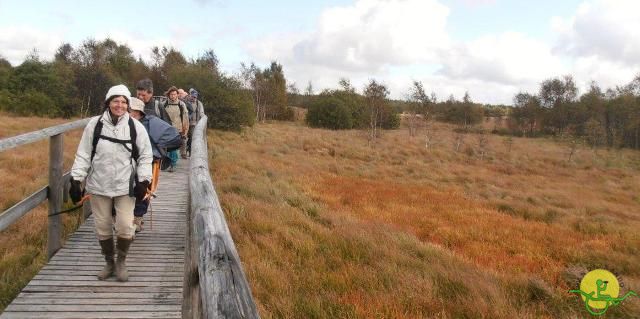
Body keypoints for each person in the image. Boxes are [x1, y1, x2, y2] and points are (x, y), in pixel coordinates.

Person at [69, 84, 153, 282]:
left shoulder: (135, 127)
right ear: (108, 102)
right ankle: (109, 262)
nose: (120, 105)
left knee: (125, 226)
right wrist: (76, 179)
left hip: (125, 186)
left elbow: (145, 156)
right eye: (116, 101)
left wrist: (144, 180)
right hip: (99, 185)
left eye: (124, 102)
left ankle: (121, 261)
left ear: (128, 105)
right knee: (103, 226)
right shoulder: (94, 125)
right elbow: (83, 154)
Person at [129, 97, 182, 232]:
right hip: (126, 164)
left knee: (142, 190)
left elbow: (175, 137)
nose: (126, 112)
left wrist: (156, 147)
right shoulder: (121, 123)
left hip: (148, 162)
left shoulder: (152, 123)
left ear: (137, 112)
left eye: (130, 110)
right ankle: (126, 219)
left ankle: (137, 219)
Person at [163, 86, 189, 171]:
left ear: (177, 95)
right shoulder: (164, 104)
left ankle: (172, 164)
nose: (173, 96)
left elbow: (185, 118)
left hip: (178, 129)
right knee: (167, 147)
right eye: (171, 94)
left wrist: (185, 131)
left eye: (174, 94)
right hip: (167, 128)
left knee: (174, 147)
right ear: (169, 95)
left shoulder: (181, 105)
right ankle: (167, 163)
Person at [186, 88, 205, 157]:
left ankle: (190, 152)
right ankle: (184, 152)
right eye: (193, 96)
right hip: (185, 122)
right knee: (184, 138)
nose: (194, 98)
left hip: (193, 123)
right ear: (190, 95)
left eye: (195, 97)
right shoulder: (185, 102)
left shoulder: (199, 103)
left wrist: (203, 117)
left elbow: (201, 113)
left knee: (191, 138)